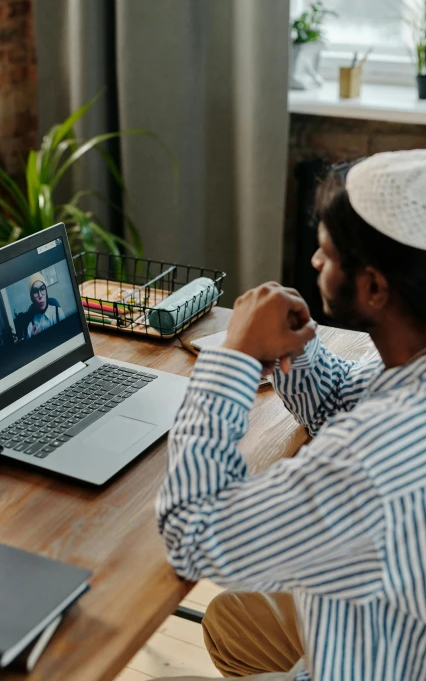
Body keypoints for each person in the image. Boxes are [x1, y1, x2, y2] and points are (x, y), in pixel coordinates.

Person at [156, 150, 426, 681]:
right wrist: (298, 348)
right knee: (231, 617)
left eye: (325, 252)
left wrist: (232, 358)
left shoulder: (378, 458)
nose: (315, 264)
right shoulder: (408, 367)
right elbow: (338, 404)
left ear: (373, 287)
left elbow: (191, 532)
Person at [26, 272, 65, 338]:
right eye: (35, 291)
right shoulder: (30, 327)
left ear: (46, 291)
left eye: (42, 288)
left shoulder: (58, 312)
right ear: (32, 298)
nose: (40, 295)